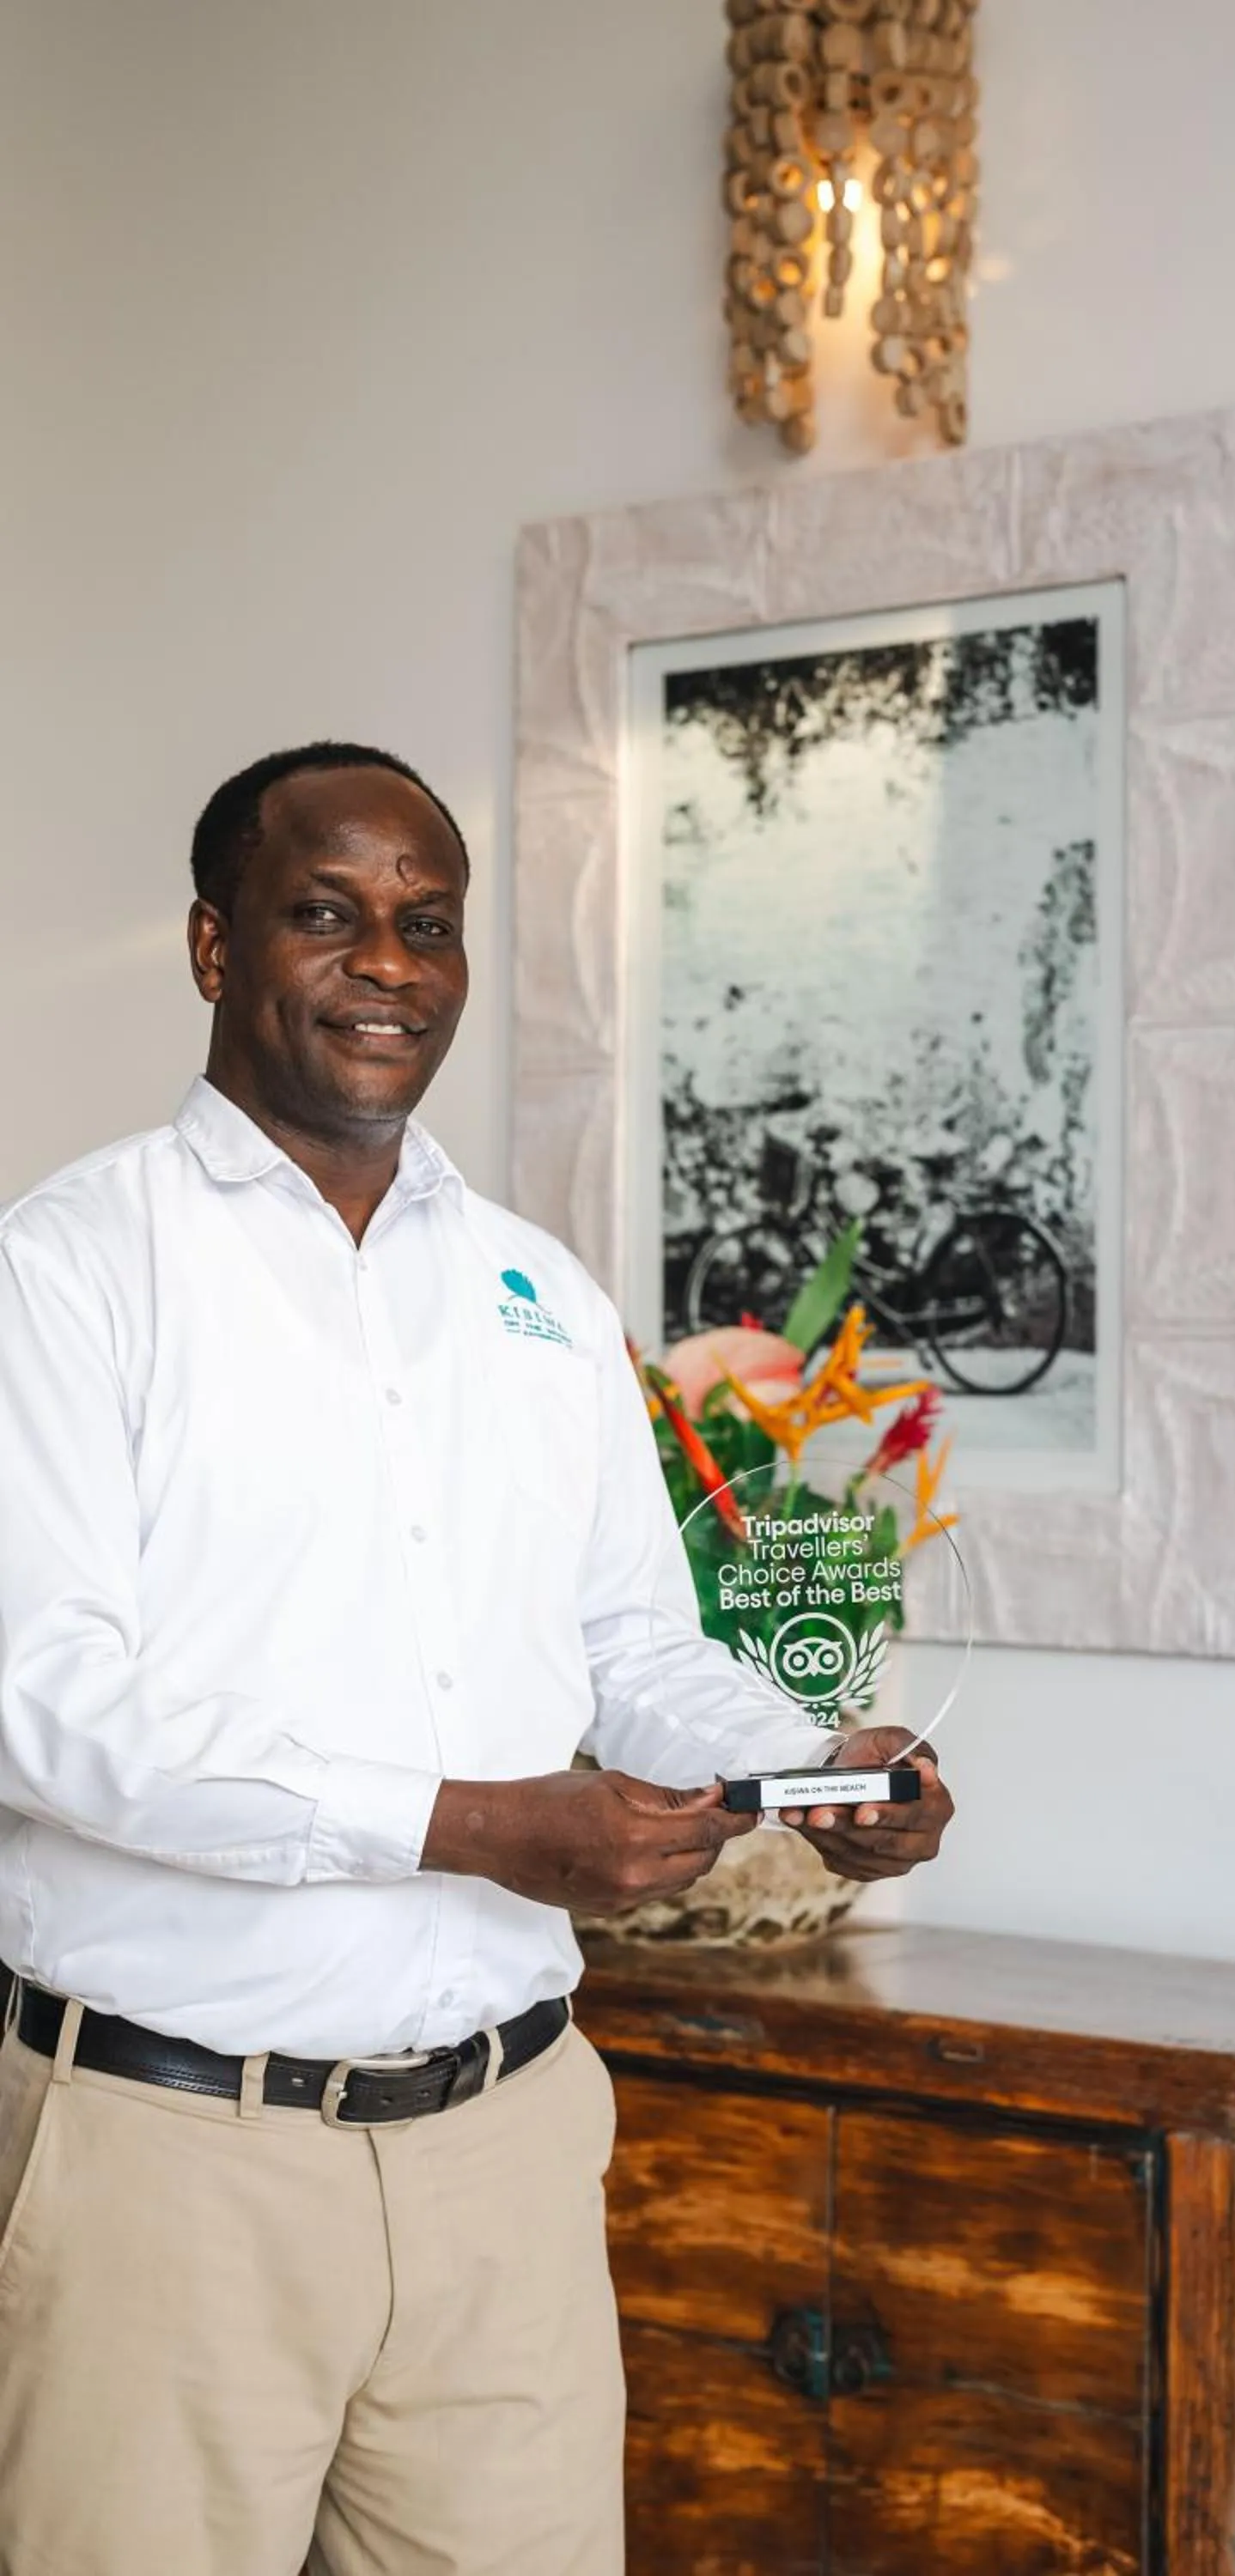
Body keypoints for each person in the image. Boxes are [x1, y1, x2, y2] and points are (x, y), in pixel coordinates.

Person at [0, 742, 953, 2576]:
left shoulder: (536, 1291)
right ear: (215, 948)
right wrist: (473, 1825)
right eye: (326, 915)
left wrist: (811, 1769)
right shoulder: (67, 1270)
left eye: (425, 925)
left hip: (504, 2155)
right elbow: (51, 1710)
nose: (386, 964)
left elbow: (623, 1641)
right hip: (168, 2157)